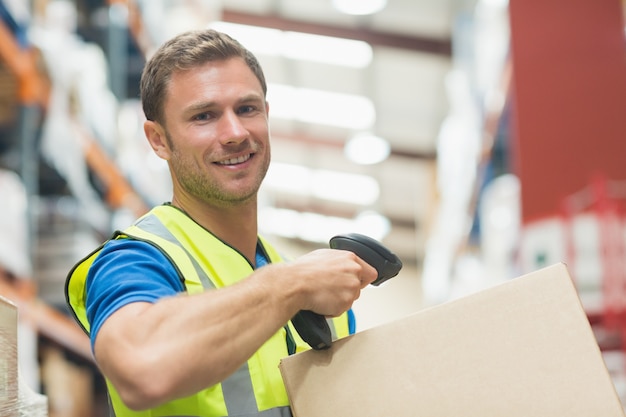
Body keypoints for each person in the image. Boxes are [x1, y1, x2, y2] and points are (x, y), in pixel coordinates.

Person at [65, 28, 377, 417]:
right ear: (158, 140)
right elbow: (141, 367)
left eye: (247, 109)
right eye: (204, 116)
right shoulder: (136, 259)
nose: (234, 133)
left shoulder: (321, 293)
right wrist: (290, 285)